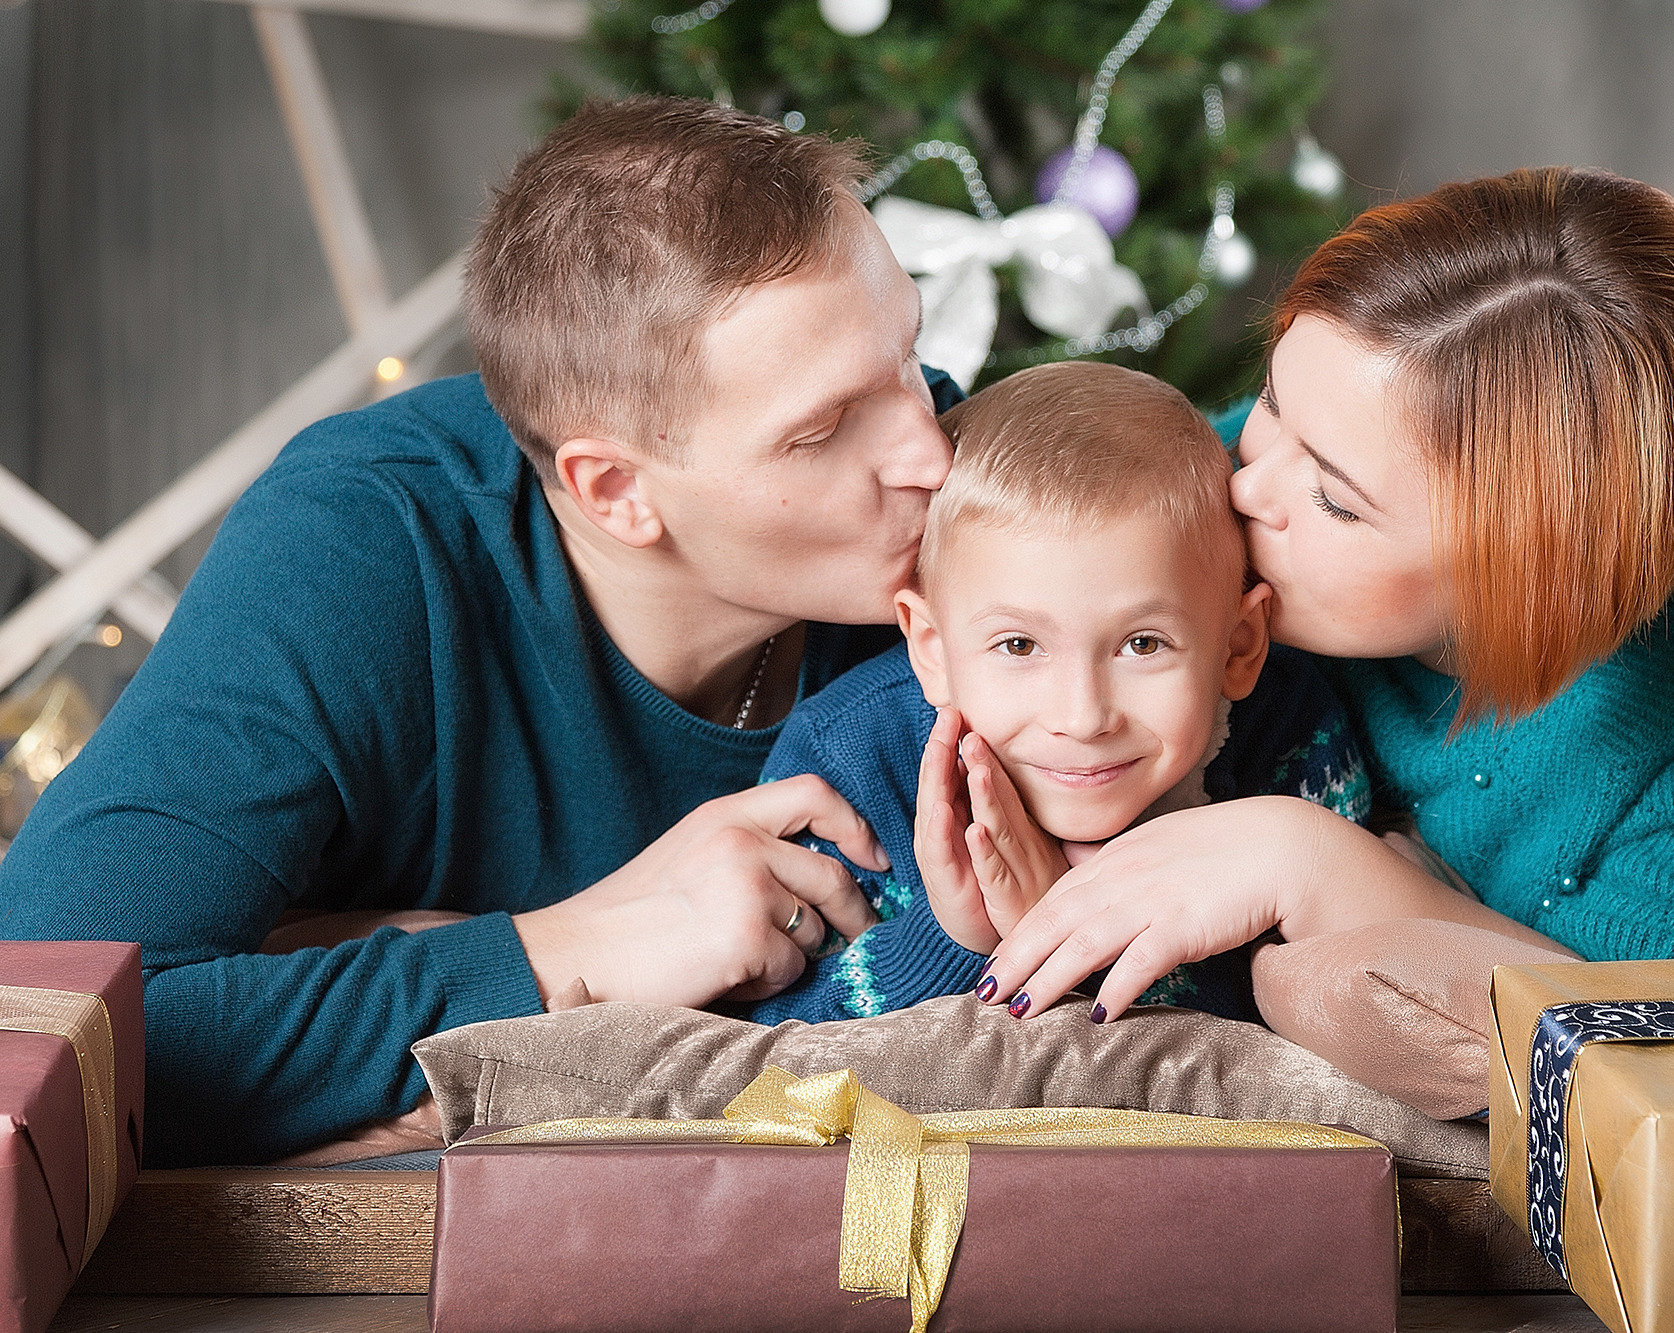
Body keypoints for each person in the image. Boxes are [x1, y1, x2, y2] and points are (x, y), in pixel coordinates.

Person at [0, 97, 965, 1166]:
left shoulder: (972, 510)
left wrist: (363, 962)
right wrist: (580, 948)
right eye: (824, 431)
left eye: (906, 359)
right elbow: (35, 1018)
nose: (931, 452)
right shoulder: (364, 540)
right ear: (614, 492)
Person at [965, 169, 1674, 1075]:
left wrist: (1306, 860)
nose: (1245, 483)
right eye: (1274, 404)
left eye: (1332, 498)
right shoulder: (1287, 460)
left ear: (1533, 581)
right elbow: (971, 549)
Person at [735, 361, 1369, 1026]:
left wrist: (1082, 942)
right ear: (932, 648)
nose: (1083, 715)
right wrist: (960, 940)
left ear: (1239, 646)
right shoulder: (850, 760)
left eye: (1143, 644)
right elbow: (761, 1044)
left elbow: (1333, 1024)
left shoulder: (1291, 732)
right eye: (1018, 646)